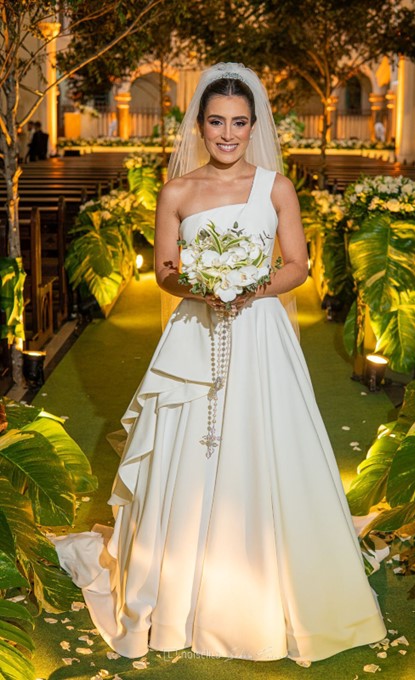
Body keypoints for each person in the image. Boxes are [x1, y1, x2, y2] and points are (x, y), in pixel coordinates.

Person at [53, 62, 387, 665]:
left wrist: (249, 289)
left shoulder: (276, 187)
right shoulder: (177, 192)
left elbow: (297, 265)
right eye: (216, 122)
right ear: (200, 126)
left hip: (261, 333)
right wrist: (203, 288)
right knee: (189, 450)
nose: (227, 134)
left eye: (238, 122)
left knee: (265, 442)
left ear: (254, 125)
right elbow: (166, 272)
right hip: (194, 335)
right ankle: (179, 584)